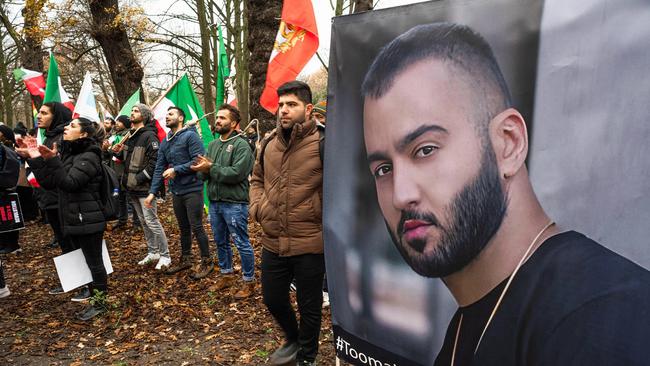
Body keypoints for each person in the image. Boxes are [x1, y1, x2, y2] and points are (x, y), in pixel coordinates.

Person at [361, 22, 650, 365]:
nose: (400, 195)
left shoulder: (603, 319)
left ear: (508, 143)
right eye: (383, 169)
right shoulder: (471, 321)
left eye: (425, 150)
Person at [250, 81, 325, 366]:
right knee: (272, 298)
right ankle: (294, 339)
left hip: (310, 240)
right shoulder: (269, 142)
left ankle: (307, 357)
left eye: (291, 104)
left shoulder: (322, 142)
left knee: (310, 306)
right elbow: (256, 179)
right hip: (273, 239)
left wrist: (320, 214)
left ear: (307, 109)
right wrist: (258, 207)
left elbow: (337, 188)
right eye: (281, 104)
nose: (283, 110)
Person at [18, 118, 109, 320]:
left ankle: (101, 303)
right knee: (83, 261)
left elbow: (70, 183)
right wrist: (35, 157)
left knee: (94, 262)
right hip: (73, 217)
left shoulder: (90, 155)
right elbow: (51, 183)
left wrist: (52, 160)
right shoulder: (71, 154)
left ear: (84, 134)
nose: (66, 127)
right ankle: (93, 297)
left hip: (88, 218)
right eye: (67, 125)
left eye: (73, 126)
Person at [191, 104, 255, 296]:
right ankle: (226, 275)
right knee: (220, 241)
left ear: (234, 123)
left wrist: (210, 168)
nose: (217, 121)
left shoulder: (242, 145)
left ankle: (248, 281)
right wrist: (201, 171)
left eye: (222, 118)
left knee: (241, 242)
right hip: (215, 203)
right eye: (217, 117)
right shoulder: (212, 144)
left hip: (235, 203)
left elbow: (237, 173)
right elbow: (206, 173)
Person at [144, 106, 211, 277]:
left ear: (181, 118)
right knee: (183, 227)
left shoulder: (190, 136)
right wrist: (152, 192)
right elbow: (159, 167)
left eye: (171, 114)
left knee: (196, 226)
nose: (167, 117)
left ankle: (206, 261)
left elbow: (199, 161)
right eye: (166, 115)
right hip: (176, 191)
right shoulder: (165, 141)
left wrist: (176, 169)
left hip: (192, 189)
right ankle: (186, 259)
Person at [112, 104, 169, 269]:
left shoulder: (150, 136)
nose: (132, 113)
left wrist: (138, 178)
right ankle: (153, 252)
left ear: (144, 116)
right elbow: (128, 159)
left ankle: (165, 255)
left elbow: (155, 162)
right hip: (132, 187)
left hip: (145, 187)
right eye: (132, 111)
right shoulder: (132, 135)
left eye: (136, 111)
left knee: (152, 221)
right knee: (144, 222)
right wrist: (117, 152)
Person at [33, 102, 75, 291]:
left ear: (55, 116)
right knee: (63, 241)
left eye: (44, 113)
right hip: (50, 199)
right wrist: (31, 156)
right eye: (39, 113)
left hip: (62, 199)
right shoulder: (48, 137)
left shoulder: (63, 138)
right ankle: (73, 279)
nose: (39, 116)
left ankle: (85, 282)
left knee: (72, 241)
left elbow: (61, 172)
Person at [106, 115, 140, 230]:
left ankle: (137, 223)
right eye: (116, 121)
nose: (116, 124)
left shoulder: (129, 135)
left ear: (125, 123)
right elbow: (109, 154)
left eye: (119, 122)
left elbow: (127, 155)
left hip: (125, 171)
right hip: (115, 171)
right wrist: (106, 149)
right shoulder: (113, 136)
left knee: (131, 198)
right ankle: (122, 220)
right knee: (120, 198)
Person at [0, 126, 21, 255]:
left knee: (8, 216)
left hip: (5, 187)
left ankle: (12, 244)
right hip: (6, 186)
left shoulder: (4, 148)